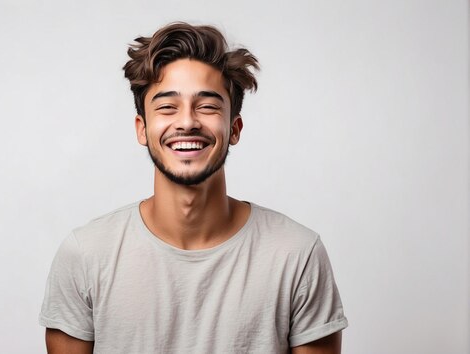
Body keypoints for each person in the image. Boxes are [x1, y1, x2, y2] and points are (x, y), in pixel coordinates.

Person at [39, 22, 348, 354]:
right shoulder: (85, 256)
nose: (187, 122)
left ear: (234, 128)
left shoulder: (297, 255)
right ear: (142, 128)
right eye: (167, 107)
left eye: (208, 106)